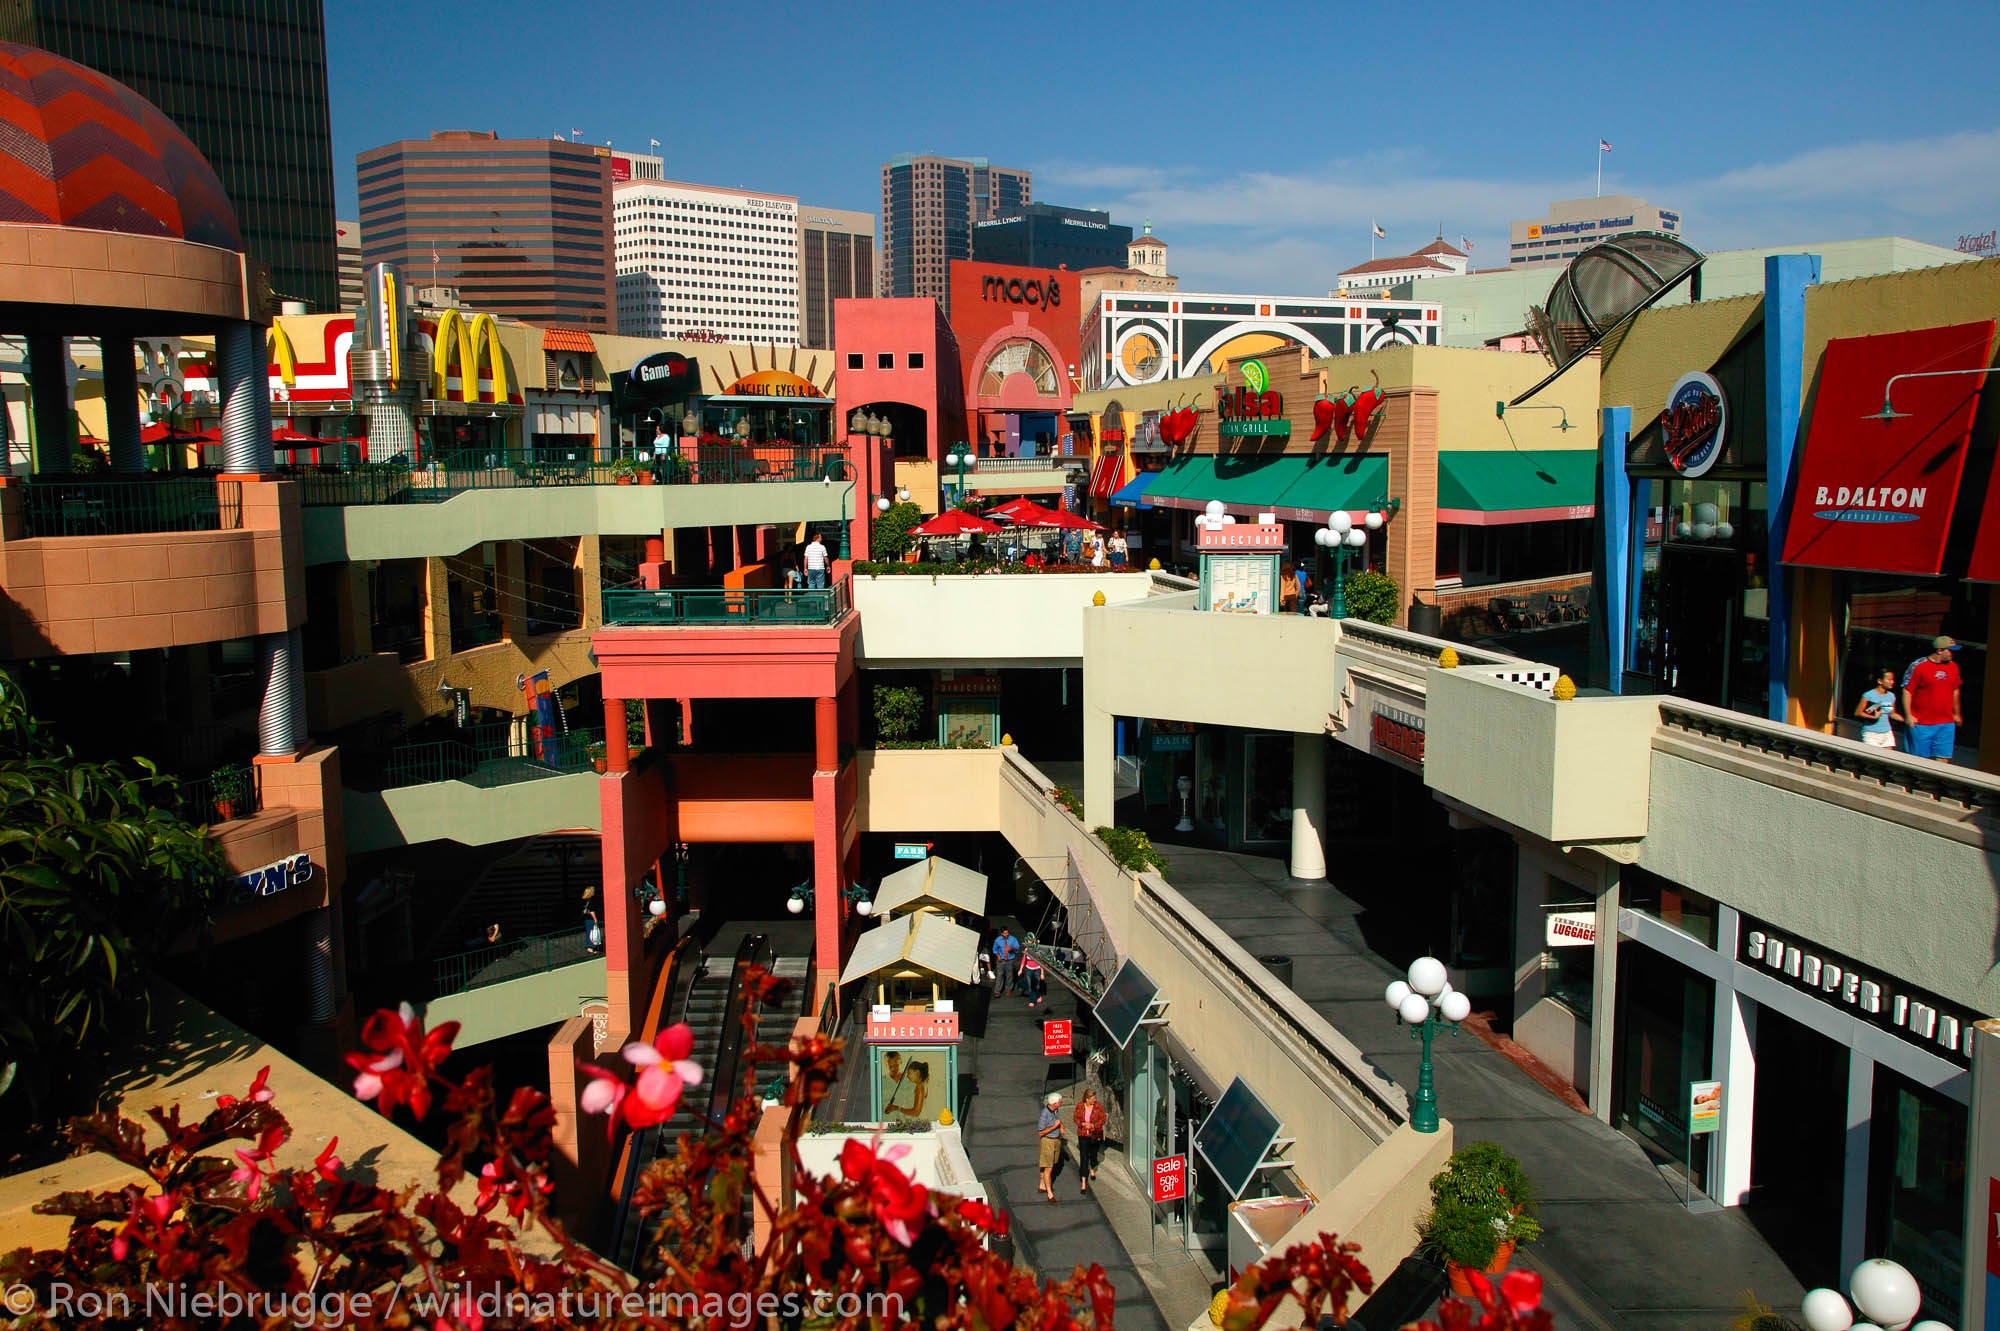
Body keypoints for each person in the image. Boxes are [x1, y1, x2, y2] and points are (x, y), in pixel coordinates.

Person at [1901, 636, 1963, 762]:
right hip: (1922, 723)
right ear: (1940, 650)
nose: (1953, 654)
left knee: (1943, 760)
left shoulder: (1953, 666)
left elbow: (1955, 690)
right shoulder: (1918, 666)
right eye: (1951, 650)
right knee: (1919, 761)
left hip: (1946, 723)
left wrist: (1956, 713)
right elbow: (1907, 691)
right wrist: (1908, 715)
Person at [1855, 668, 1905, 749]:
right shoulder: (1868, 695)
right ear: (1880, 681)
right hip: (1871, 734)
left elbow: (1892, 714)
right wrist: (1873, 717)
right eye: (1889, 679)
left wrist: (1905, 720)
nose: (1892, 682)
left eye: (1892, 679)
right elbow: (1858, 713)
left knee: (1887, 759)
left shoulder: (1891, 696)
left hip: (1887, 733)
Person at [1074, 1089, 1107, 1193]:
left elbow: (1103, 1119)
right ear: (1087, 1099)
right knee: (1084, 1157)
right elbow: (1075, 1117)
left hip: (1094, 1135)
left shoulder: (1098, 1106)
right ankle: (1083, 1180)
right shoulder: (1080, 1105)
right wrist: (1083, 1124)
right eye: (1092, 1098)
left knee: (1093, 1155)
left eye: (1095, 1098)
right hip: (1083, 1134)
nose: (1095, 1100)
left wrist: (1093, 1125)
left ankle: (1092, 1167)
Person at [1038, 1092, 1065, 1200]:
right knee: (1049, 1167)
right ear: (1054, 1103)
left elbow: (1058, 1121)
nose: (1061, 1103)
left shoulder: (1055, 1110)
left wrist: (1061, 1126)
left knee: (1049, 1164)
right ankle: (1050, 1193)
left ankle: (1042, 1184)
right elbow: (1040, 1132)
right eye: (1059, 1102)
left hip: (1056, 1140)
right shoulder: (1045, 1114)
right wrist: (1055, 1127)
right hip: (1048, 1141)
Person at [991, 927, 1021, 996]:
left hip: (1010, 960)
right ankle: (997, 991)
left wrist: (1012, 948)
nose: (1006, 934)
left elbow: (1017, 949)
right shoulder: (998, 940)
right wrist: (998, 956)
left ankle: (1009, 989)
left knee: (1009, 975)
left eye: (1007, 933)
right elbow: (994, 949)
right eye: (1005, 933)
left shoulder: (1013, 939)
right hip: (1001, 960)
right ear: (1002, 933)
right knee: (999, 975)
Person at [1019, 938, 1045, 1007]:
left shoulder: (1037, 950)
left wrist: (1042, 973)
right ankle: (1032, 1000)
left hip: (1037, 969)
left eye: (1031, 941)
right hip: (1028, 969)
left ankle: (1038, 995)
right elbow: (1023, 960)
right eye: (1028, 941)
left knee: (1037, 985)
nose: (1030, 942)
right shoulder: (1026, 950)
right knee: (1030, 986)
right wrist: (1020, 969)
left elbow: (1041, 962)